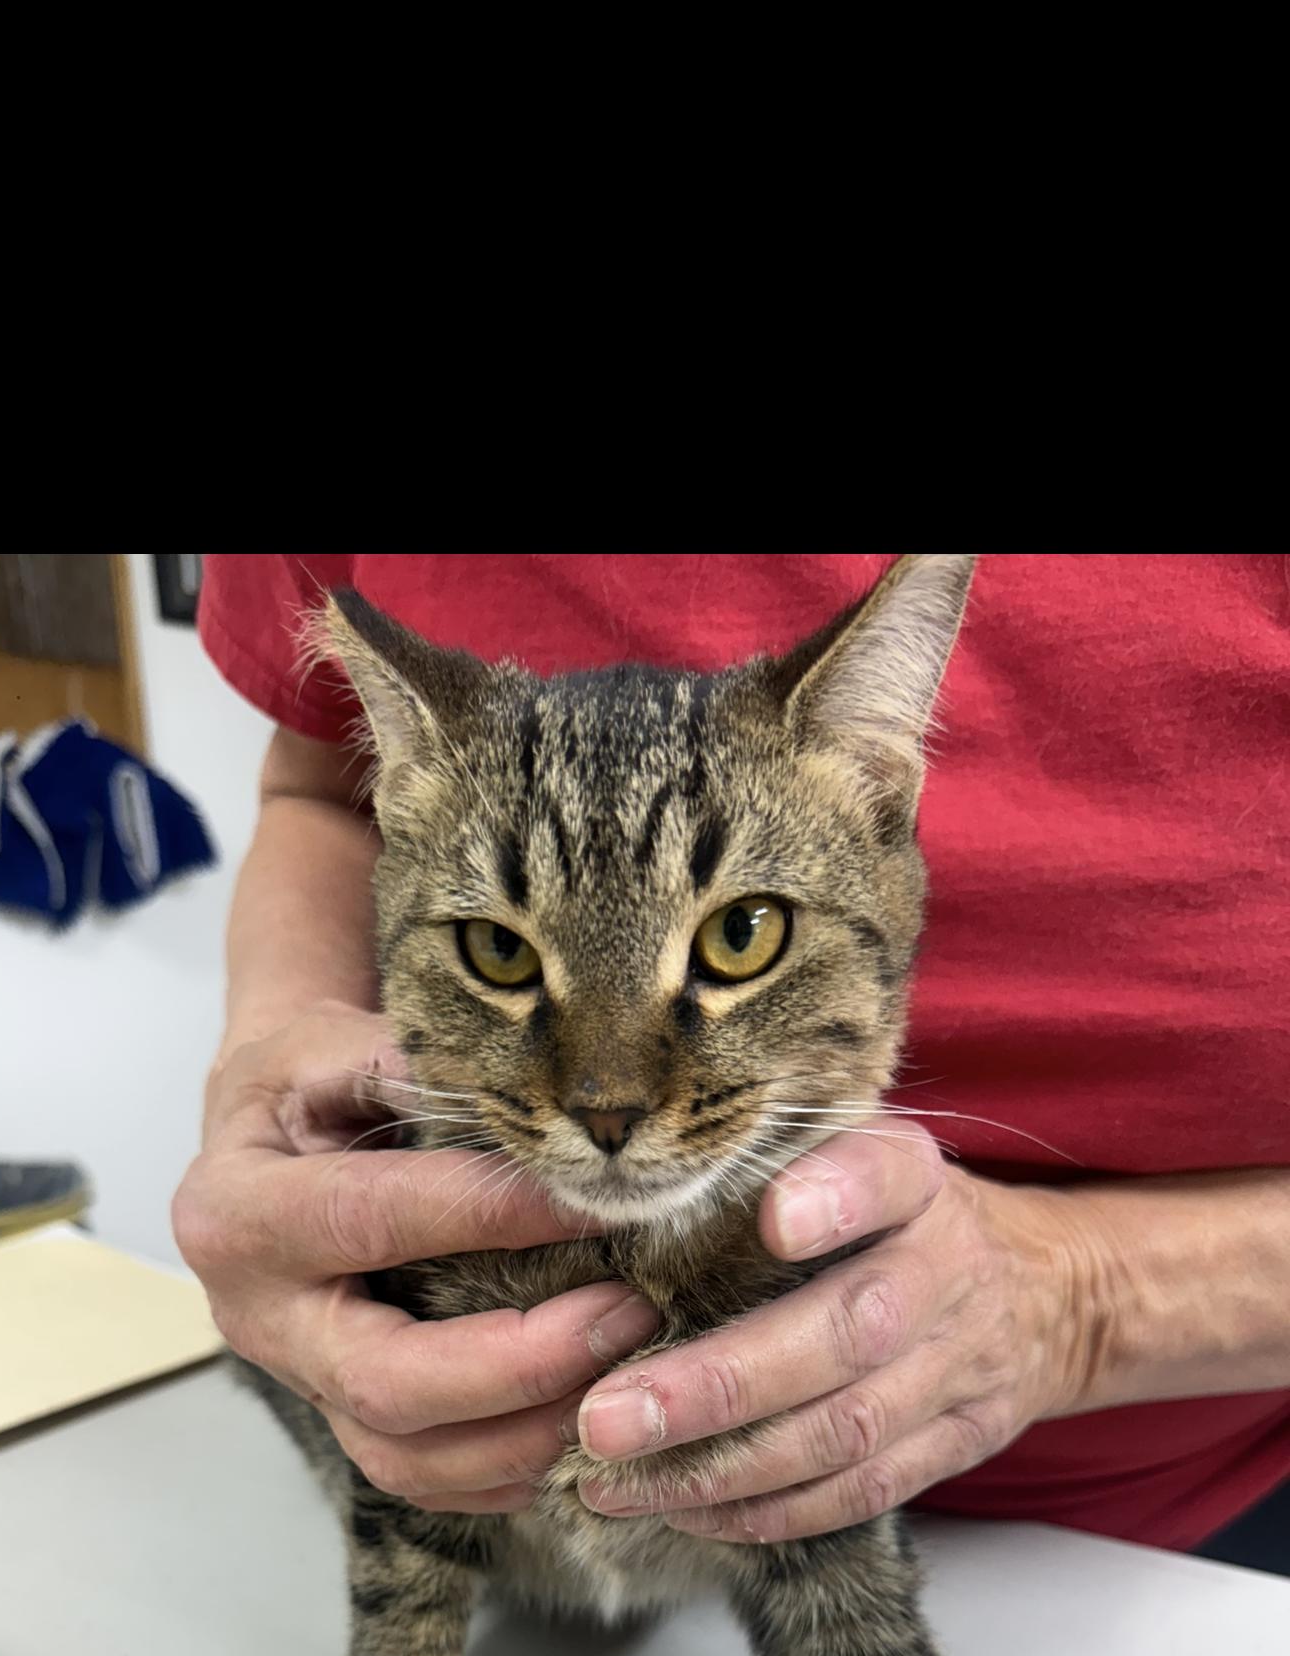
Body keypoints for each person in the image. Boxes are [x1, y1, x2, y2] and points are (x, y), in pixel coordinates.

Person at [174, 554, 1290, 1570]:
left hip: (1178, 1541)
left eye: (734, 937)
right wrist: (274, 1054)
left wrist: (1082, 1303)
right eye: (501, 948)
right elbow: (324, 787)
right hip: (497, 1513)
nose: (610, 1098)